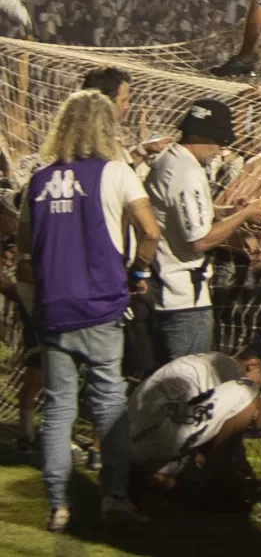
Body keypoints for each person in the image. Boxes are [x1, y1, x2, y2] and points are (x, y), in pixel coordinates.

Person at [18, 90, 162, 532]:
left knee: (59, 408)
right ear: (106, 127)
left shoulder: (38, 179)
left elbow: (24, 248)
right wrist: (138, 273)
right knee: (109, 406)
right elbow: (151, 232)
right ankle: (114, 497)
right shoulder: (117, 172)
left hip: (54, 308)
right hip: (100, 304)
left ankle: (58, 505)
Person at [145, 100, 261, 360]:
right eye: (219, 141)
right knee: (188, 386)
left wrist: (225, 212)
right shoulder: (186, 172)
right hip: (183, 300)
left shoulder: (169, 159)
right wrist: (245, 214)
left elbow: (178, 215)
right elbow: (200, 240)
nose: (221, 149)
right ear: (201, 136)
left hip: (164, 291)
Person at [128, 344, 261, 500]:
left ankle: (158, 476)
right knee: (248, 393)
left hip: (138, 437)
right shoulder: (227, 370)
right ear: (253, 365)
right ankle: (210, 485)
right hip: (151, 437)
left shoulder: (213, 362)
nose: (260, 390)